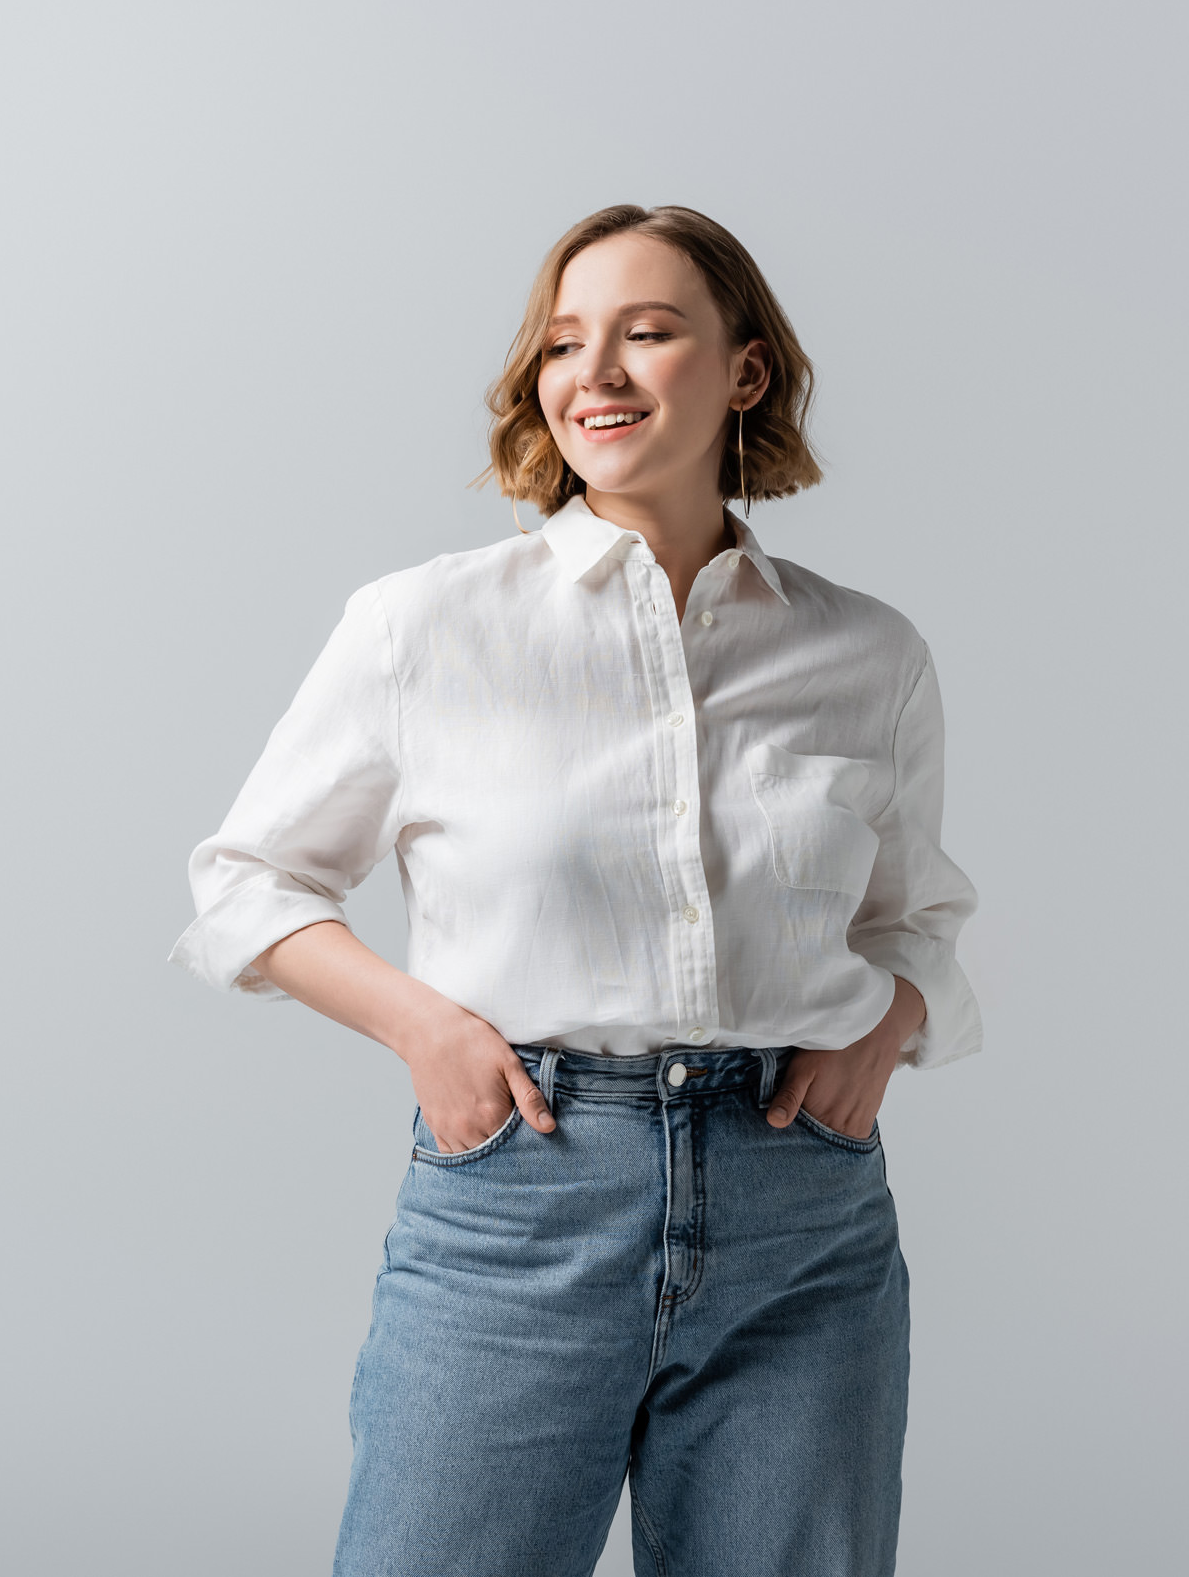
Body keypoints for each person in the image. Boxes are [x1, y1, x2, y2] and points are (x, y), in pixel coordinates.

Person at [170, 202, 982, 1577]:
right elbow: (245, 882)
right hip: (525, 1197)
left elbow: (915, 912)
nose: (593, 370)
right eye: (563, 342)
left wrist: (889, 1011)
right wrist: (425, 1027)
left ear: (745, 371)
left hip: (805, 1224)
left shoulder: (866, 651)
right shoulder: (427, 625)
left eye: (647, 332)